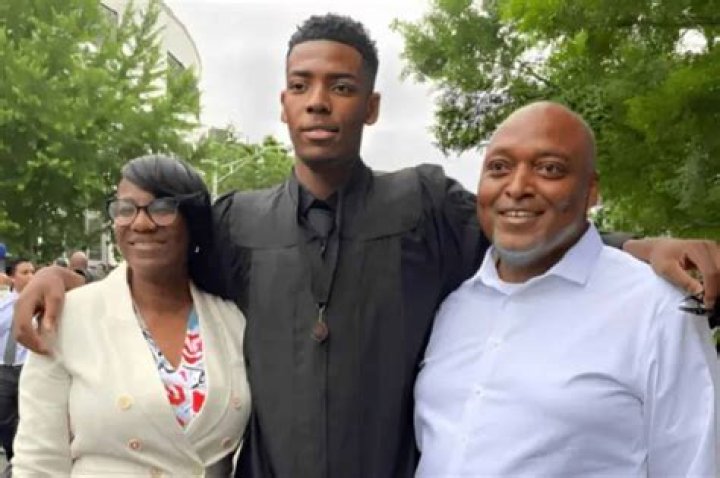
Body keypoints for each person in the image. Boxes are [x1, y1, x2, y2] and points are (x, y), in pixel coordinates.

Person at [12, 14, 720, 478]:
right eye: (302, 86)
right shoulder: (237, 223)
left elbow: (527, 228)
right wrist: (60, 280)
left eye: (343, 86)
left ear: (371, 106)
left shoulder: (424, 205)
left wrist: (638, 246)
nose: (320, 100)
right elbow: (156, 274)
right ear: (283, 104)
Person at [414, 102, 719, 476]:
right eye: (499, 168)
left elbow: (696, 465)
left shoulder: (656, 308)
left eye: (549, 169)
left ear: (591, 192)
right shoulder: (454, 307)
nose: (517, 188)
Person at [12, 156, 251, 476]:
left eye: (162, 208)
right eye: (125, 209)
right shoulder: (69, 317)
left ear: (193, 220)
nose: (141, 223)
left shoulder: (232, 320)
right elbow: (38, 461)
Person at [0, 258, 34, 469]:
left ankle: (21, 464)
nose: (31, 276)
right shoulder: (3, 304)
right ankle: (13, 456)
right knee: (4, 420)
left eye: (32, 272)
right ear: (12, 277)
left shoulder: (42, 303)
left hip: (29, 368)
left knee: (28, 418)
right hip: (3, 369)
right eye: (25, 272)